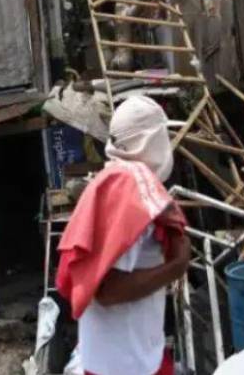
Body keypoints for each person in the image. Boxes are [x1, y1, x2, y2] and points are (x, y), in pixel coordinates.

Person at [56, 96, 189, 375]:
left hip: (115, 356)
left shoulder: (113, 180)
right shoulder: (130, 190)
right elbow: (108, 290)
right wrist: (175, 267)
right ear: (152, 141)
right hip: (127, 364)